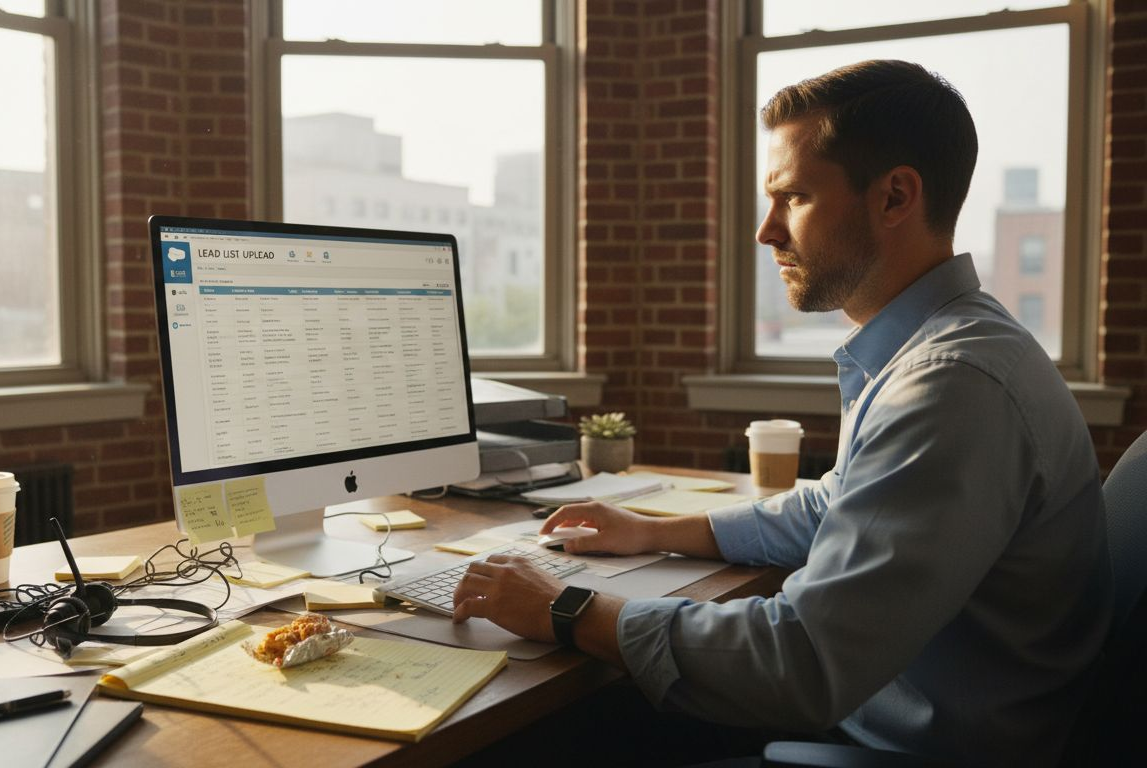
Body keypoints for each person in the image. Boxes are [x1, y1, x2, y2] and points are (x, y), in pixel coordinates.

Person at [452, 59, 1111, 767]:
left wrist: (563, 607)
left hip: (893, 749)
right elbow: (839, 505)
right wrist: (656, 529)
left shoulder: (951, 384)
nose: (767, 232)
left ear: (894, 197)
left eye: (792, 197)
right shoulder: (942, 346)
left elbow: (798, 664)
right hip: (870, 717)